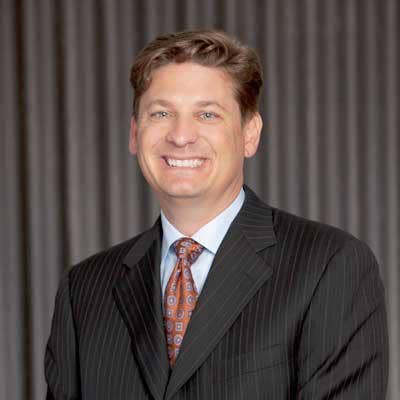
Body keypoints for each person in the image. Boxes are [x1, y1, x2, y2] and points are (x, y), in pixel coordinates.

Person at [45, 29, 388, 400]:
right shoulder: (84, 290)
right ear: (134, 132)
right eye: (161, 113)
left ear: (249, 133)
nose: (181, 136)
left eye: (207, 114)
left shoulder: (329, 265)